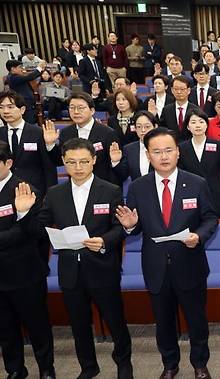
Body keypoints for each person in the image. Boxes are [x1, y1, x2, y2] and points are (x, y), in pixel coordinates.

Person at [19, 138, 133, 379]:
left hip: (102, 267)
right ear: (63, 162)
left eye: (83, 161)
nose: (78, 167)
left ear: (93, 160)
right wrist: (25, 212)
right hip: (70, 271)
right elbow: (38, 230)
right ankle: (88, 367)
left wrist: (104, 241)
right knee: (79, 326)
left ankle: (124, 364)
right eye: (71, 162)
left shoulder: (110, 190)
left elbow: (118, 227)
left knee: (116, 322)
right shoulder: (55, 193)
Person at [115, 128, 218, 379]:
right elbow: (137, 225)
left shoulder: (196, 182)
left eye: (168, 150)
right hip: (156, 266)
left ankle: (199, 364)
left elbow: (210, 218)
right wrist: (130, 225)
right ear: (148, 155)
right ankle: (170, 364)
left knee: (196, 320)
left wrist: (199, 236)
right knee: (164, 322)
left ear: (178, 152)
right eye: (157, 152)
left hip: (189, 262)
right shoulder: (138, 187)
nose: (164, 156)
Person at [0, 141, 55, 379]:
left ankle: (46, 368)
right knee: (5, 326)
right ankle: (14, 369)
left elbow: (30, 232)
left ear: (8, 163)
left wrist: (21, 214)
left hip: (24, 270)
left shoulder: (25, 188)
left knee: (37, 325)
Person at [43, 92, 122, 186]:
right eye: (72, 108)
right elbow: (60, 161)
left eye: (81, 108)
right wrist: (50, 144)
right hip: (75, 186)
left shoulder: (108, 133)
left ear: (92, 110)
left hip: (102, 187)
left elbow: (117, 166)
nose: (76, 112)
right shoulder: (66, 133)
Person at [0, 90, 57, 197]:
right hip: (5, 193)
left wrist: (51, 194)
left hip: (35, 190)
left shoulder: (38, 132)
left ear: (22, 109)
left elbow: (49, 166)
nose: (5, 111)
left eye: (10, 107)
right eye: (1, 107)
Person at [178, 109, 220, 218]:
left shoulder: (217, 145)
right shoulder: (182, 148)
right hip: (191, 197)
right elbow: (180, 176)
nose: (197, 125)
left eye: (201, 122)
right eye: (193, 122)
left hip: (215, 196)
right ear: (188, 127)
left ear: (207, 125)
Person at [110, 110, 157, 182]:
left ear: (155, 127)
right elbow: (123, 176)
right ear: (135, 128)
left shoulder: (163, 147)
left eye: (147, 126)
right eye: (139, 127)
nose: (143, 130)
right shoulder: (129, 149)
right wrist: (116, 162)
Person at [158, 76, 201, 141]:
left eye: (182, 89)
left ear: (189, 90)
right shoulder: (166, 110)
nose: (179, 92)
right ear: (172, 90)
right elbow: (162, 129)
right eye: (176, 89)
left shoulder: (195, 110)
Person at [5, 59, 47, 124]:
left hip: (30, 105)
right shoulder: (13, 78)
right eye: (20, 67)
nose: (22, 69)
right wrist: (39, 67)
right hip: (25, 105)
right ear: (13, 69)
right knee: (29, 123)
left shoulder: (18, 77)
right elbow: (30, 76)